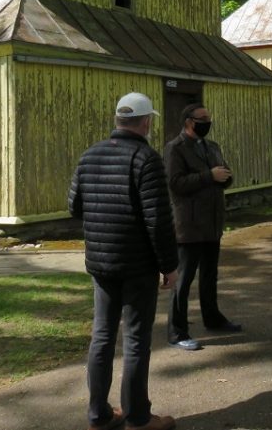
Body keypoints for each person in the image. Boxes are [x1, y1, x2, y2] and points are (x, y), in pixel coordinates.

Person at [69, 92, 180, 430]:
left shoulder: (89, 156)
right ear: (146, 122)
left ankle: (99, 415)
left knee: (102, 335)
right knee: (135, 340)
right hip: (137, 267)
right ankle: (137, 417)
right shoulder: (146, 159)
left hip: (101, 264)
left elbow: (74, 206)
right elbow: (158, 220)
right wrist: (169, 265)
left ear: (118, 119)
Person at [165, 103, 240, 350]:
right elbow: (175, 183)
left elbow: (224, 174)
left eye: (209, 117)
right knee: (184, 279)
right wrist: (210, 176)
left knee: (210, 275)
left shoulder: (212, 146)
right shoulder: (175, 149)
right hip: (189, 225)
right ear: (189, 122)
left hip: (212, 221)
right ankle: (177, 331)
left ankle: (213, 317)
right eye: (202, 118)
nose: (207, 122)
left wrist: (225, 177)